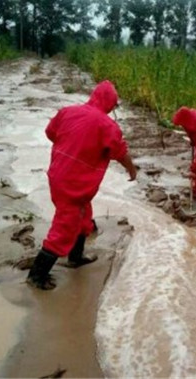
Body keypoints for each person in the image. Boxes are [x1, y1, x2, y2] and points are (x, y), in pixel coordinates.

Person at [27, 80, 137, 290]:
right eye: (114, 105)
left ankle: (75, 257)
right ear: (109, 103)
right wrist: (131, 169)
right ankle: (37, 274)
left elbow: (50, 132)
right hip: (74, 184)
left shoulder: (68, 112)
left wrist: (71, 146)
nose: (113, 109)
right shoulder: (107, 126)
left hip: (58, 174)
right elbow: (119, 152)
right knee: (64, 226)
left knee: (84, 215)